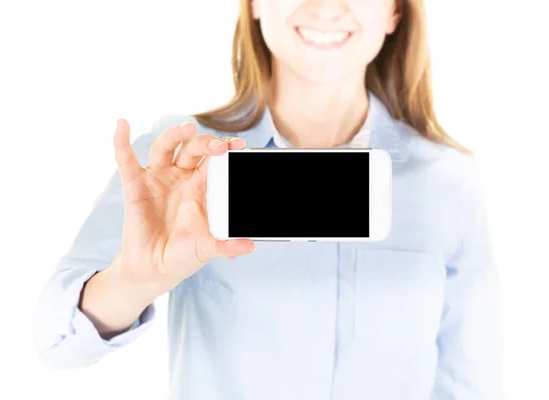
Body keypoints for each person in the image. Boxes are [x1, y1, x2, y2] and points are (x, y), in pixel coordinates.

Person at [33, 0, 503, 399]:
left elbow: (471, 380)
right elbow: (55, 342)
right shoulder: (180, 162)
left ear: (395, 11)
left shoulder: (447, 181)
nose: (325, 5)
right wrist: (133, 281)